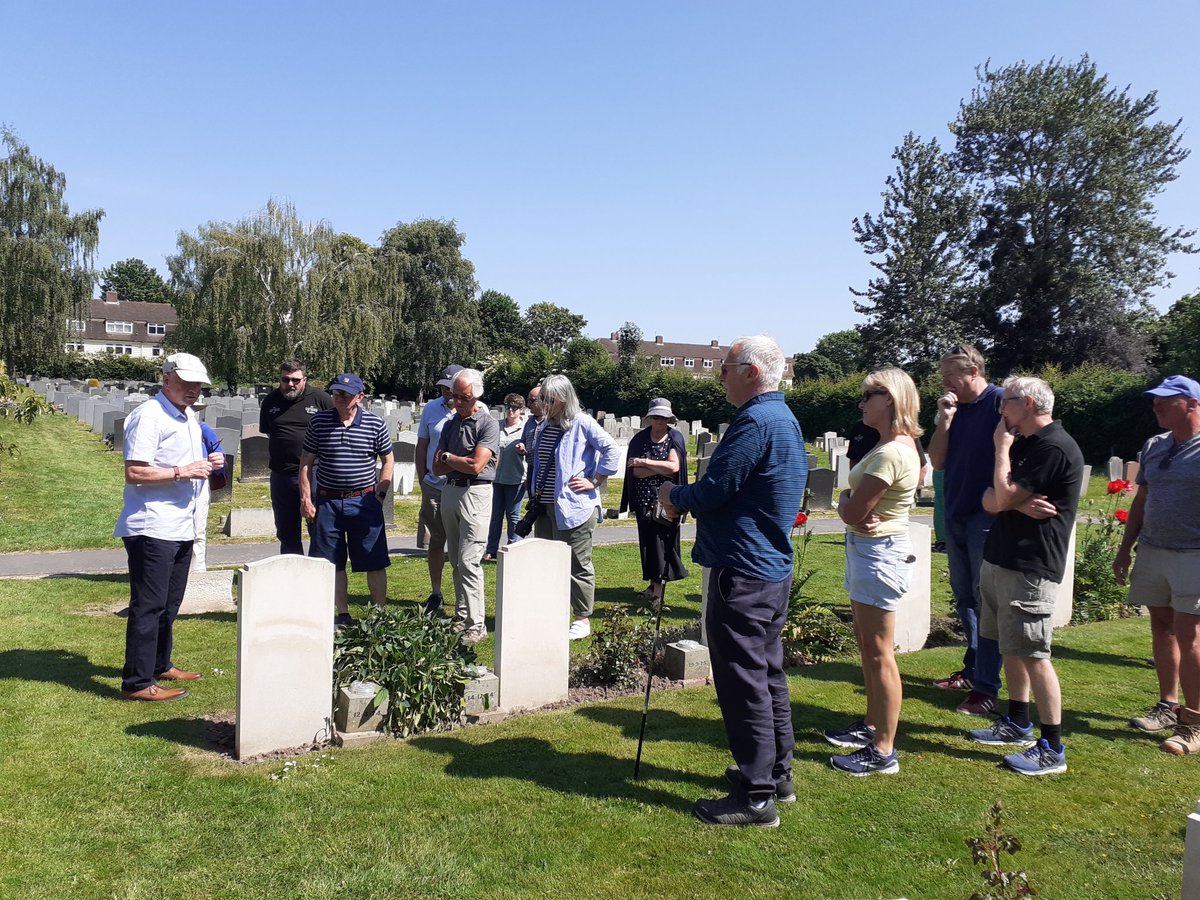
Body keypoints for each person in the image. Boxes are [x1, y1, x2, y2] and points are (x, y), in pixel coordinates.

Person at [658, 335, 806, 827]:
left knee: (744, 681)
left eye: (726, 367)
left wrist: (674, 493)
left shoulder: (755, 421)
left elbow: (718, 489)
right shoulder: (783, 419)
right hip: (769, 569)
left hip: (742, 571)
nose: (720, 374)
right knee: (766, 674)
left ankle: (757, 795)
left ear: (752, 372)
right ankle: (777, 773)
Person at [965, 376, 1082, 775]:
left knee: (1034, 653)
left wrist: (1001, 454)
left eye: (1007, 403)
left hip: (1031, 564)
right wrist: (1011, 501)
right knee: (1008, 645)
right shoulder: (1027, 444)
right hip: (1001, 558)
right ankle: (1017, 721)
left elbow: (1000, 495)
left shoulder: (1053, 446)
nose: (1001, 411)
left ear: (1029, 403)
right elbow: (990, 498)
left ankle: (1052, 746)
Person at [824, 368, 922, 776]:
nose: (862, 403)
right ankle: (871, 725)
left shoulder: (892, 452)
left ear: (891, 399)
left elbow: (853, 510)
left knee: (880, 653)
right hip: (870, 550)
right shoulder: (888, 446)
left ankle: (883, 750)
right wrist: (848, 504)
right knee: (868, 647)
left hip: (879, 553)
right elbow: (851, 508)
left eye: (869, 396)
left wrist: (847, 502)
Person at [115, 352, 222, 702]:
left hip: (182, 524)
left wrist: (209, 462)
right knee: (148, 605)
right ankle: (137, 682)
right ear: (166, 378)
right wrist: (182, 471)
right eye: (187, 383)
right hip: (152, 525)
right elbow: (135, 472)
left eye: (198, 385)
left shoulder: (187, 416)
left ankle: (160, 664)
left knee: (169, 604)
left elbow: (186, 462)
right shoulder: (149, 416)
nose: (194, 390)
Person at [1114, 375, 1200, 756]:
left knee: (1190, 636)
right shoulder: (1154, 445)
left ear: (1192, 404)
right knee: (1162, 628)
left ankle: (1194, 723)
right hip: (1153, 549)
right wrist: (1125, 548)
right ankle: (1168, 705)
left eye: (1166, 401)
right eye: (1154, 401)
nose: (1157, 406)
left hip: (1194, 554)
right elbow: (1141, 501)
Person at [927, 344, 1005, 716]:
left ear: (973, 371)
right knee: (965, 600)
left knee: (986, 601)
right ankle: (974, 669)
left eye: (949, 376)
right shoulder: (953, 410)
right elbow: (937, 461)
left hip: (987, 519)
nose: (944, 383)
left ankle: (987, 687)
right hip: (956, 512)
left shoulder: (1002, 403)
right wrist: (944, 421)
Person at [526, 374, 621, 640]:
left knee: (578, 564)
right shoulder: (544, 424)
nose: (542, 403)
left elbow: (612, 450)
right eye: (541, 397)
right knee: (548, 563)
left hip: (574, 508)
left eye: (548, 398)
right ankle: (552, 613)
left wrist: (595, 480)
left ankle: (582, 618)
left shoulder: (582, 423)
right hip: (544, 507)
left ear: (563, 399)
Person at [299, 373, 393, 627]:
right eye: (336, 393)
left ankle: (379, 615)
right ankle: (342, 614)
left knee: (374, 559)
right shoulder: (319, 422)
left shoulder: (374, 423)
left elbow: (388, 459)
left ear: (360, 397)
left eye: (345, 394)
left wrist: (380, 494)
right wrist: (306, 499)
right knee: (332, 561)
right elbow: (306, 463)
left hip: (363, 501)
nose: (339, 398)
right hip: (328, 502)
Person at [432, 369, 499, 644]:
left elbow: (477, 465)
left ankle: (477, 623)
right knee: (456, 560)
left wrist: (449, 457)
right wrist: (453, 460)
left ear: (476, 396)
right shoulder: (450, 425)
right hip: (450, 490)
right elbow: (436, 467)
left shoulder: (488, 425)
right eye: (454, 396)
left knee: (470, 560)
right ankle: (462, 616)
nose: (456, 401)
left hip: (476, 493)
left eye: (463, 397)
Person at [258, 360, 334, 555]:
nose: (290, 384)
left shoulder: (321, 399)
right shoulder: (270, 401)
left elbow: (336, 430)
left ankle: (317, 572)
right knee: (286, 530)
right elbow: (269, 432)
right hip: (281, 475)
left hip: (316, 474)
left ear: (305, 379)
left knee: (317, 527)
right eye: (285, 379)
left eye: (295, 380)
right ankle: (293, 575)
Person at [619, 397, 689, 603]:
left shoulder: (674, 438)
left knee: (662, 542)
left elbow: (674, 468)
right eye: (656, 416)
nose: (659, 421)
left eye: (663, 417)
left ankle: (658, 591)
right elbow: (636, 473)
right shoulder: (640, 440)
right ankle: (653, 585)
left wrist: (645, 462)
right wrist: (658, 467)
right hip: (643, 500)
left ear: (669, 418)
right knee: (648, 543)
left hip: (667, 501)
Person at [416, 365, 463, 614]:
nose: (445, 391)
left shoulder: (478, 409)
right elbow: (422, 445)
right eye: (442, 387)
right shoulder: (432, 409)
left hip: (462, 487)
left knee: (461, 546)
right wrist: (423, 478)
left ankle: (462, 597)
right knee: (436, 542)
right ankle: (436, 593)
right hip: (434, 486)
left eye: (449, 387)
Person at [484, 393, 527, 562]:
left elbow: (532, 451)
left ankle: (513, 547)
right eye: (508, 407)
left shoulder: (525, 428)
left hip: (516, 478)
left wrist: (524, 450)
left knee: (513, 515)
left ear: (521, 410)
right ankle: (491, 549)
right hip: (496, 478)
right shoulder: (496, 426)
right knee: (495, 516)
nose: (510, 410)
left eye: (515, 408)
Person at [190, 413, 227, 573]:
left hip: (199, 486)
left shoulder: (202, 429)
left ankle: (198, 572)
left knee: (198, 531)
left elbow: (220, 457)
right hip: (170, 484)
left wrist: (219, 460)